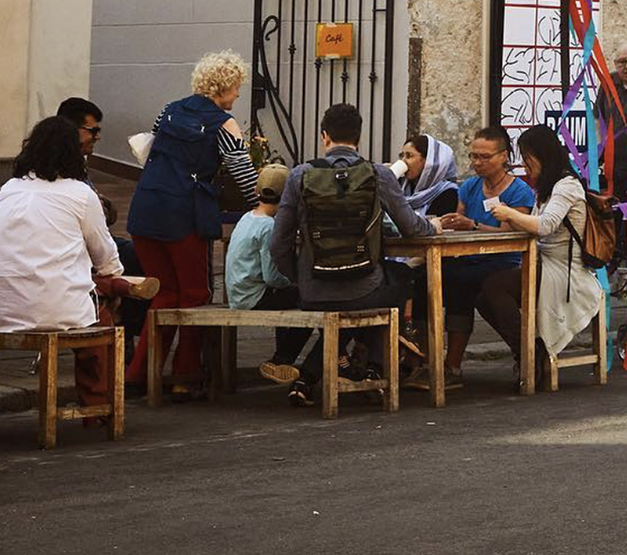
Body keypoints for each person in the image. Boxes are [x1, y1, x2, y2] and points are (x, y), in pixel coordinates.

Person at [269, 103, 439, 407]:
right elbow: (412, 228)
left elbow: (278, 244)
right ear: (359, 138)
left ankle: (314, 376)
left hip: (312, 292)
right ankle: (374, 366)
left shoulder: (299, 176)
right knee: (400, 277)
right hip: (363, 291)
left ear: (324, 136)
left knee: (347, 303)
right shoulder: (378, 175)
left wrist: (302, 277)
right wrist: (434, 226)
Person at [126, 51, 259, 400]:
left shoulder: (168, 110)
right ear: (225, 87)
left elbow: (152, 148)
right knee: (195, 294)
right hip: (185, 212)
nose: (238, 96)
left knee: (164, 292)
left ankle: (138, 374)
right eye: (237, 88)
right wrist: (261, 204)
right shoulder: (225, 125)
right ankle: (185, 375)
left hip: (146, 207)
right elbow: (243, 173)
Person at [0, 117, 158, 409]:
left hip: (6, 308)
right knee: (105, 309)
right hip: (57, 307)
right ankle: (97, 404)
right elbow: (107, 259)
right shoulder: (80, 193)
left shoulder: (8, 189)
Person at [485, 124, 606, 380]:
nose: (526, 167)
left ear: (543, 156)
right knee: (484, 291)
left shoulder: (567, 186)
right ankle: (527, 350)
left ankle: (530, 352)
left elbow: (545, 225)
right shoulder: (546, 189)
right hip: (543, 263)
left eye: (528, 159)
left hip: (565, 271)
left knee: (494, 288)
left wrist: (510, 213)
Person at [431, 126, 537, 385]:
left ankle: (453, 363)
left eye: (484, 157)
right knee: (432, 278)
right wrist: (452, 223)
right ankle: (427, 359)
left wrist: (473, 226)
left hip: (504, 261)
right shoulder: (468, 187)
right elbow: (460, 222)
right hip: (469, 258)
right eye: (473, 156)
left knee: (462, 283)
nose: (477, 163)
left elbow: (510, 235)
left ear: (503, 156)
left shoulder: (518, 191)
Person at [224, 163, 307, 381]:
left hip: (238, 295)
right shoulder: (270, 227)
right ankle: (282, 359)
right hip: (255, 297)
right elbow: (271, 277)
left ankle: (283, 359)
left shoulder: (247, 218)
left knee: (294, 296)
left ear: (256, 190)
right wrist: (291, 283)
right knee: (310, 300)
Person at [395, 133, 459, 218]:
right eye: (401, 156)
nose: (403, 161)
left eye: (409, 156)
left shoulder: (448, 194)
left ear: (428, 162)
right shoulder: (399, 186)